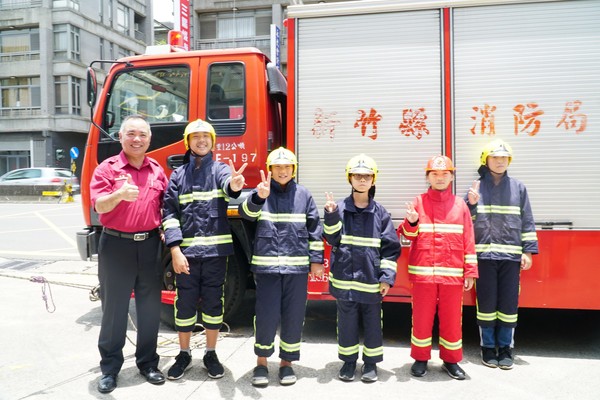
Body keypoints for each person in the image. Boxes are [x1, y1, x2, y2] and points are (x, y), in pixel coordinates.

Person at [162, 119, 247, 381]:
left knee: (213, 304)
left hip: (214, 256)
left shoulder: (220, 169)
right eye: (195, 137)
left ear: (212, 141)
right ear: (188, 142)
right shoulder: (178, 176)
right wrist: (175, 250)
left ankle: (210, 353)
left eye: (206, 137)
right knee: (184, 304)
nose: (201, 141)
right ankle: (184, 353)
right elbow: (169, 213)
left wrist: (235, 184)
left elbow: (229, 187)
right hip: (186, 256)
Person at [90, 115, 169, 394]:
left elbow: (164, 208)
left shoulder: (158, 170)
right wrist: (119, 194)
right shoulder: (107, 169)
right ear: (120, 137)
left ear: (149, 139)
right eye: (131, 134)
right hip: (116, 246)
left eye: (143, 135)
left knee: (149, 309)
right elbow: (99, 205)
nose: (137, 139)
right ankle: (110, 369)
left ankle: (148, 363)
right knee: (114, 310)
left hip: (149, 245)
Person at [238, 147, 325, 387]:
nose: (283, 171)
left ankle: (287, 363)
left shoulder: (304, 195)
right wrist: (258, 197)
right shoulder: (261, 193)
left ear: (293, 169)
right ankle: (262, 362)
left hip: (296, 268)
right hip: (267, 268)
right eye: (278, 167)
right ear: (270, 170)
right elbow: (245, 215)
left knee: (294, 315)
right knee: (266, 315)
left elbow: (314, 228)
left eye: (287, 167)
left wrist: (316, 259)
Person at [398, 155, 478, 381]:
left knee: (452, 319)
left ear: (452, 176)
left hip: (452, 274)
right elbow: (409, 236)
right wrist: (411, 221)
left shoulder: (460, 205)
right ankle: (420, 358)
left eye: (445, 174)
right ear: (428, 177)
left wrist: (470, 270)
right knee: (422, 318)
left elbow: (468, 239)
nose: (440, 178)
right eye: (435, 174)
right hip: (424, 273)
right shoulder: (418, 202)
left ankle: (451, 361)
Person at [323, 154, 401, 383]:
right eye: (357, 175)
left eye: (367, 176)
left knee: (372, 323)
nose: (362, 180)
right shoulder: (338, 208)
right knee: (346, 323)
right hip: (345, 280)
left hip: (370, 280)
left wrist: (386, 278)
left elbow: (390, 249)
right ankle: (348, 363)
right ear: (350, 178)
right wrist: (330, 216)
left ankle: (370, 364)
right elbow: (331, 240)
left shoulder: (381, 213)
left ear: (373, 180)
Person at [466, 139, 538, 370]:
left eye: (504, 158)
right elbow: (465, 222)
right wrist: (471, 205)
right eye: (495, 157)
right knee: (485, 303)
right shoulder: (476, 188)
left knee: (508, 303)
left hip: (510, 257)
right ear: (485, 161)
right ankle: (488, 347)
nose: (500, 161)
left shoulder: (518, 188)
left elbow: (526, 221)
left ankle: (506, 348)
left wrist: (528, 251)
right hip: (484, 256)